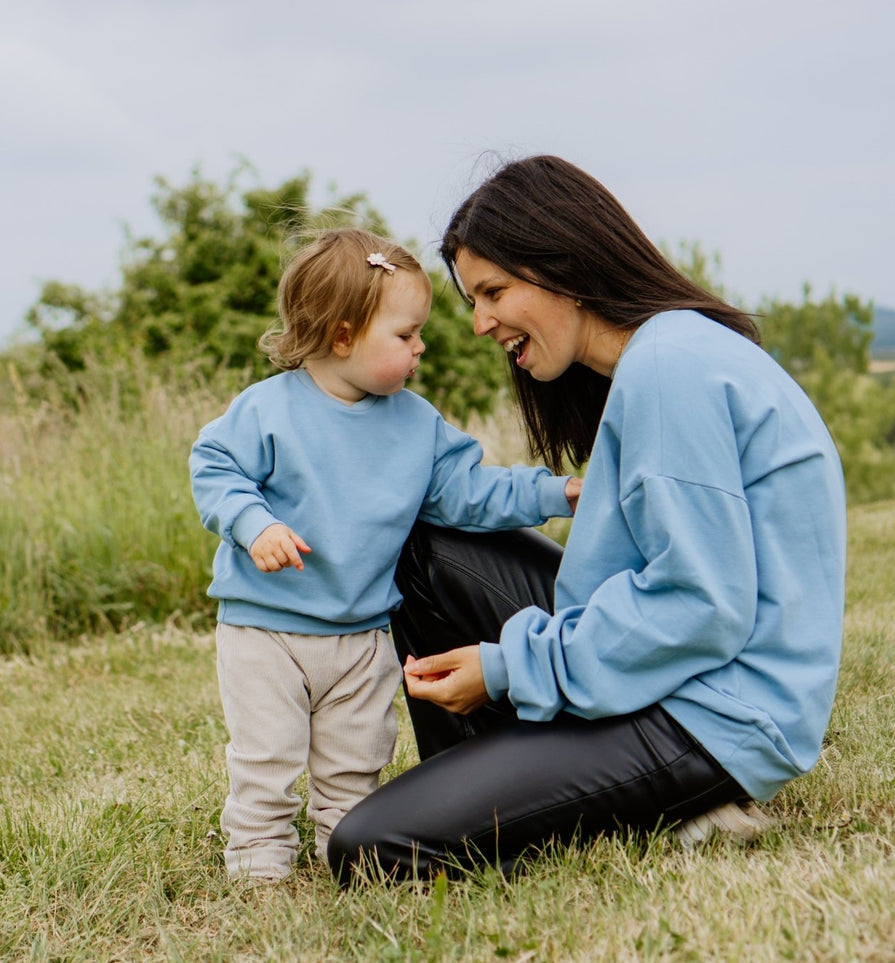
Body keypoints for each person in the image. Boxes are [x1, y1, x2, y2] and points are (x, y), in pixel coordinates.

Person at [327, 156, 848, 884]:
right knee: (426, 544)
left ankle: (553, 807)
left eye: (493, 291)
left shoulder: (671, 368)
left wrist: (510, 665)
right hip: (673, 676)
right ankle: (502, 787)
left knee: (375, 848)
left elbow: (702, 606)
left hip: (712, 714)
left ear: (561, 267)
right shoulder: (659, 355)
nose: (479, 323)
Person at [189, 227, 579, 883]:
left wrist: (557, 490)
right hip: (265, 630)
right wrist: (254, 524)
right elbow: (215, 469)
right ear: (342, 337)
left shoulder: (414, 422)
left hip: (360, 634)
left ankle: (348, 846)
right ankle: (257, 857)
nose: (420, 346)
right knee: (266, 753)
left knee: (354, 758)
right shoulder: (268, 410)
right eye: (405, 336)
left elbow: (470, 491)